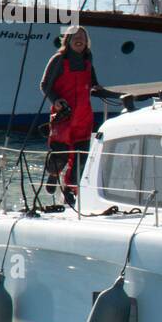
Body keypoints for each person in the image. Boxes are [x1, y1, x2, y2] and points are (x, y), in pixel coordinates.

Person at [40, 25, 116, 206]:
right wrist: (55, 100)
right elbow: (44, 85)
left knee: (80, 157)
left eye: (82, 36)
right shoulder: (58, 60)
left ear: (86, 41)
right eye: (75, 36)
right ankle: (53, 174)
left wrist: (99, 89)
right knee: (60, 155)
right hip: (64, 116)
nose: (79, 39)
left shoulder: (88, 59)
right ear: (67, 40)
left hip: (83, 116)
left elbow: (93, 82)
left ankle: (69, 190)